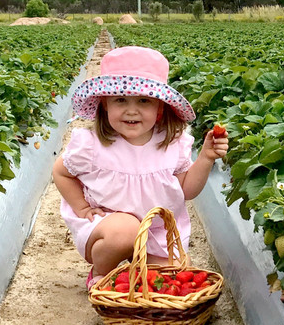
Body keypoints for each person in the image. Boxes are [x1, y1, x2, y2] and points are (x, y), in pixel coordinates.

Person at [52, 45, 228, 289]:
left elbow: (186, 190)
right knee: (125, 231)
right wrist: (81, 208)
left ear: (160, 108)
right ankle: (102, 273)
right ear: (104, 104)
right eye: (120, 100)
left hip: (155, 231)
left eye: (144, 100)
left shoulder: (172, 144)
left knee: (172, 278)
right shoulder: (92, 145)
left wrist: (206, 158)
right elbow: (61, 172)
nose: (131, 110)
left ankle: (137, 267)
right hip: (109, 228)